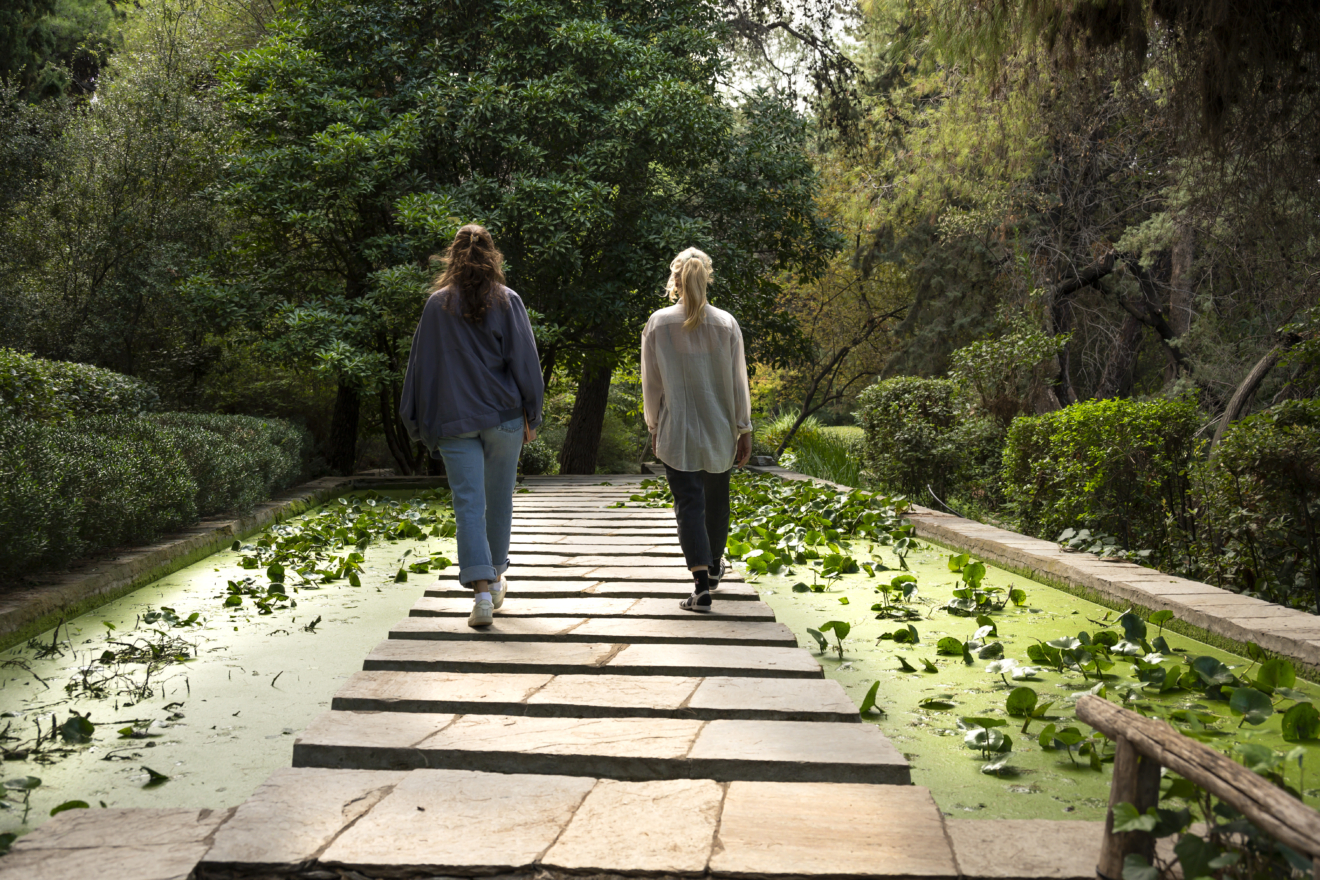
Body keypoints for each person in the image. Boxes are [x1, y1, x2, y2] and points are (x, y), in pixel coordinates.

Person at [400, 224, 544, 627]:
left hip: (454, 420)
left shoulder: (436, 305)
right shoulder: (508, 300)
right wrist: (533, 413)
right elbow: (526, 364)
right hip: (504, 419)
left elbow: (420, 370)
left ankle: (482, 592)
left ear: (453, 255)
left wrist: (416, 421)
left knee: (468, 506)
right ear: (492, 255)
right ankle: (496, 578)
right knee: (499, 502)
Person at [641, 247, 753, 612]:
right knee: (717, 503)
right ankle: (715, 566)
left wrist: (654, 426)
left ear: (674, 281)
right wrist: (744, 427)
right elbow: (739, 381)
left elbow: (652, 384)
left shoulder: (658, 323)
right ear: (707, 279)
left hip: (678, 430)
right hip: (720, 430)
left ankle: (702, 585)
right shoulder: (726, 323)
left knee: (688, 504)